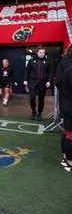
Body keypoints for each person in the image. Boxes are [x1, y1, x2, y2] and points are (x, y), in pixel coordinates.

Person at [23, 46, 53, 121]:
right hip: (32, 82)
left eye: (43, 53)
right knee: (32, 97)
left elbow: (51, 72)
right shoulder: (31, 61)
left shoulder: (48, 61)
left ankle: (39, 113)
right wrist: (25, 79)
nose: (42, 54)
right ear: (37, 53)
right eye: (40, 53)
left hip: (43, 83)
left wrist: (49, 81)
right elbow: (27, 71)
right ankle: (33, 112)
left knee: (41, 99)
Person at [55, 44, 72, 172]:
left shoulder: (64, 64)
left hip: (66, 102)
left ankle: (66, 158)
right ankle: (69, 162)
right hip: (68, 103)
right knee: (70, 133)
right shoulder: (68, 67)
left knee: (67, 131)